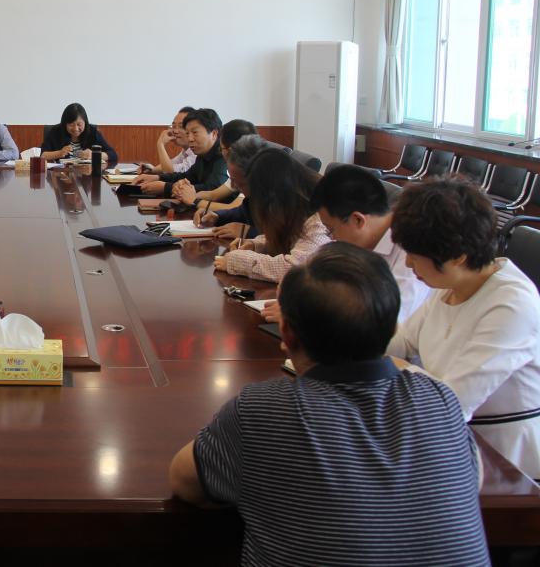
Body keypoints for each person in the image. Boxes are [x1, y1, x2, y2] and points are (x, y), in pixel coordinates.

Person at [170, 243, 489, 566]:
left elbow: (185, 482)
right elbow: (470, 482)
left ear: (286, 332)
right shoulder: (440, 399)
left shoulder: (262, 411)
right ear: (392, 328)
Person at [387, 176, 540, 479]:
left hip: (506, 462)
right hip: (448, 437)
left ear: (457, 257)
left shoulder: (512, 305)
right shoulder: (451, 284)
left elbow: (455, 401)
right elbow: (402, 343)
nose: (408, 265)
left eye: (414, 257)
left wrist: (396, 367)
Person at [311, 164, 430, 321]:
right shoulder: (365, 243)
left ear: (358, 220)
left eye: (331, 229)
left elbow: (391, 320)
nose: (332, 238)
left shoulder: (410, 252)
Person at [214, 148, 329, 282]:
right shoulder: (292, 206)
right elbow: (291, 238)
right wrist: (256, 245)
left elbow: (295, 269)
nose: (234, 186)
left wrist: (238, 262)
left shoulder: (319, 217)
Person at [132, 108, 226, 198]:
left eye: (195, 132)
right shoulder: (202, 155)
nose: (190, 139)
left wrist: (166, 187)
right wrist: (158, 178)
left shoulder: (224, 155)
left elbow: (213, 189)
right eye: (188, 133)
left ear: (214, 134)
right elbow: (186, 176)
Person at [197, 134, 270, 238]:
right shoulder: (256, 195)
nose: (233, 186)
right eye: (231, 179)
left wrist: (248, 232)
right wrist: (217, 216)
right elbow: (241, 212)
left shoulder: (283, 197)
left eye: (240, 183)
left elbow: (288, 237)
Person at [190, 119, 258, 212]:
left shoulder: (257, 170)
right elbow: (214, 195)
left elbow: (234, 208)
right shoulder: (243, 166)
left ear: (230, 150)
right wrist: (189, 194)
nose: (221, 153)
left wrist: (195, 201)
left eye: (221, 149)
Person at [40, 103, 118, 167]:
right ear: (65, 124)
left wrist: (94, 155)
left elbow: (113, 155)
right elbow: (41, 154)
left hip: (87, 177)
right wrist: (60, 153)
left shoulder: (93, 132)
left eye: (79, 124)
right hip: (62, 176)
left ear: (85, 122)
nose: (76, 129)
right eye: (71, 125)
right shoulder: (55, 132)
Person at [147, 107, 196, 174]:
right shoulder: (185, 150)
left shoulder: (197, 153)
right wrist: (150, 170)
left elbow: (169, 171)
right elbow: (169, 165)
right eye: (174, 126)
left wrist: (160, 144)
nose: (175, 131)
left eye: (181, 127)